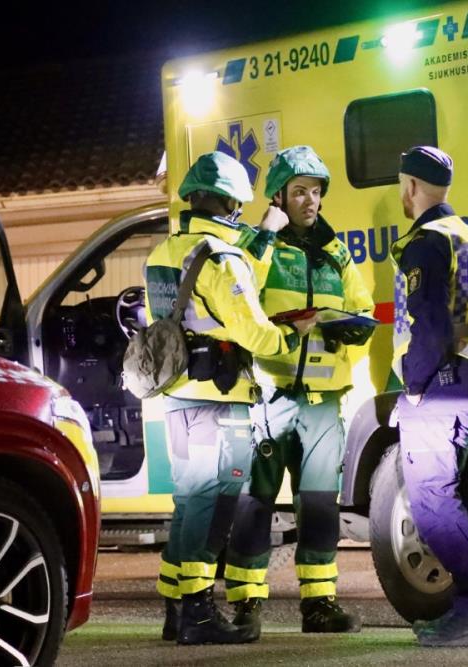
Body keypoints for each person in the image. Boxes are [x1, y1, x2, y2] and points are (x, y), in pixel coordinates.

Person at [145, 151, 316, 645]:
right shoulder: (221, 258)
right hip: (218, 400)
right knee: (213, 504)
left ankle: (177, 609)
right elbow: (253, 330)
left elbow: (222, 296)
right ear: (231, 204)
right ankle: (199, 615)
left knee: (188, 503)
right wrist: (293, 336)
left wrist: (261, 240)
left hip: (178, 395)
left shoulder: (165, 253)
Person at [223, 146, 375, 638]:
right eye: (299, 192)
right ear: (278, 197)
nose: (311, 201)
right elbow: (239, 291)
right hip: (270, 397)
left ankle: (319, 605)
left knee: (320, 505)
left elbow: (363, 305)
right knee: (255, 503)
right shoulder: (257, 245)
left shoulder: (336, 252)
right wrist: (265, 233)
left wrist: (350, 325)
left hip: (323, 402)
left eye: (316, 191)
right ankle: (246, 605)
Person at [389, 146, 468, 647]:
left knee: (431, 498)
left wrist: (414, 388)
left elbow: (429, 324)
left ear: (411, 186)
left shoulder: (428, 241)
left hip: (444, 385)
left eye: (402, 186)